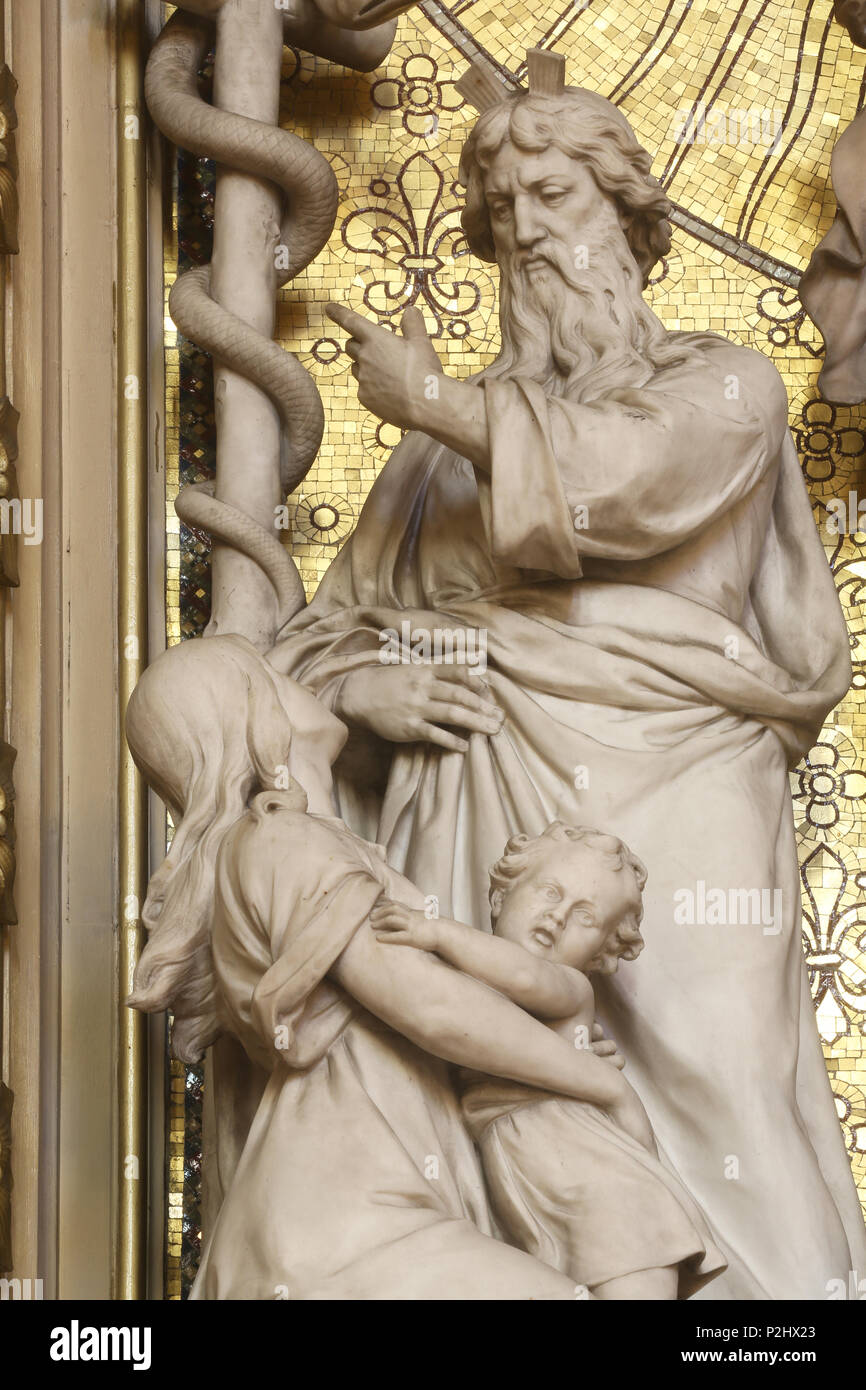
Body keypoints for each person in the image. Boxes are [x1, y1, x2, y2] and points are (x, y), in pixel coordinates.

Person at [271, 75, 866, 1296]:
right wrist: (375, 683)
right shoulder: (440, 459)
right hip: (474, 789)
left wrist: (436, 401)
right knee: (489, 1082)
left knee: (721, 1074)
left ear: (627, 213)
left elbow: (624, 483)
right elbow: (332, 632)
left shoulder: (724, 384)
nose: (527, 231)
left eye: (552, 195)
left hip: (685, 783)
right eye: (500, 211)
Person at [126, 634, 637, 1299]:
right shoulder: (283, 840)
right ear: (254, 718)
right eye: (273, 675)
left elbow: (438, 1021)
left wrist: (552, 1042)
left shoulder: (324, 843)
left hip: (380, 1208)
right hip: (342, 1224)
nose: (300, 678)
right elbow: (428, 1007)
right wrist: (596, 1083)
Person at [372, 821, 726, 1300]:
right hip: (539, 1182)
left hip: (597, 1183)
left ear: (600, 952)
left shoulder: (569, 987)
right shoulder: (468, 989)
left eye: (585, 916)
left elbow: (523, 975)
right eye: (550, 892)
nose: (557, 917)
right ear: (501, 895)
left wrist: (436, 931)